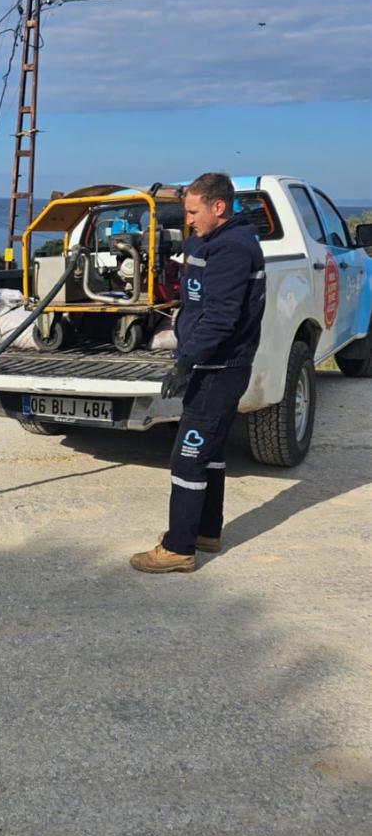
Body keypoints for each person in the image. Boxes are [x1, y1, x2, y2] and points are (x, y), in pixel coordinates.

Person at [131, 172, 266, 573]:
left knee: (187, 457)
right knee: (210, 453)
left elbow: (220, 320)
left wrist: (185, 362)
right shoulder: (219, 239)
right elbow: (193, 243)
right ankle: (207, 531)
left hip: (217, 368)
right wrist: (168, 218)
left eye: (193, 211)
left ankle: (178, 548)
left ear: (218, 207)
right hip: (218, 365)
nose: (188, 219)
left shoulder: (232, 251)